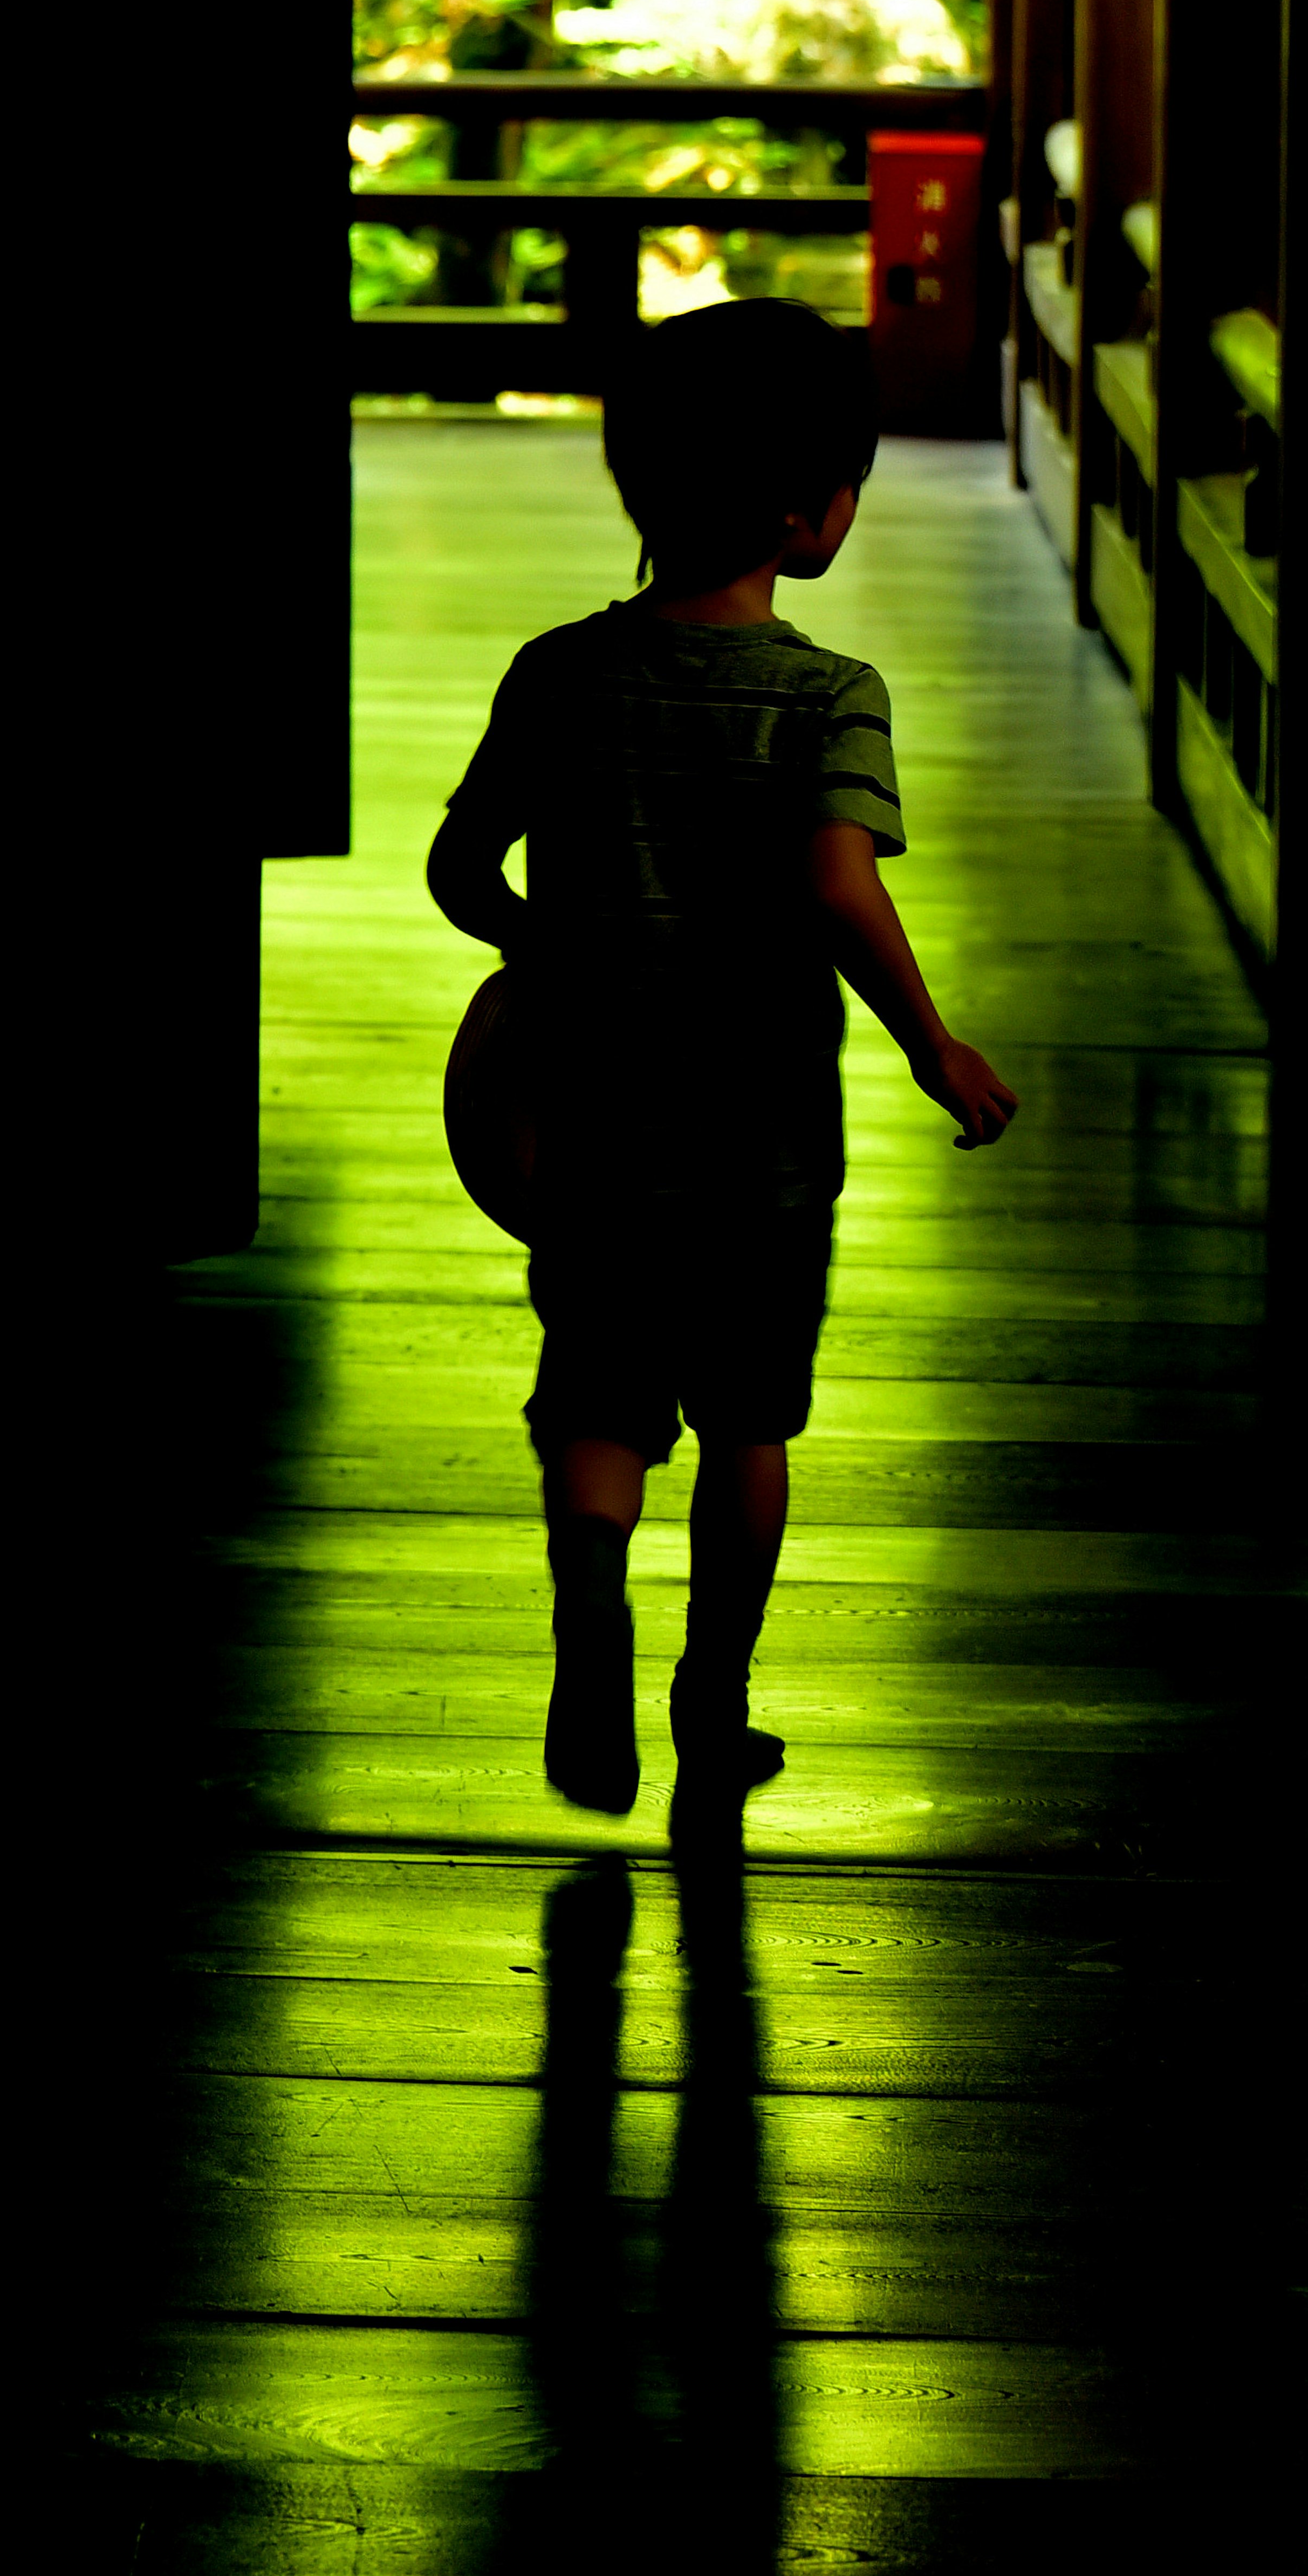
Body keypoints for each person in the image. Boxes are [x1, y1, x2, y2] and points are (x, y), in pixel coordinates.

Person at [427, 298, 1017, 1823]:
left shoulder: (558, 674)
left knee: (601, 1399)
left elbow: (463, 863)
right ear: (809, 517)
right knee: (751, 1420)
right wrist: (933, 1044)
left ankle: (588, 1616)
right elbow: (838, 886)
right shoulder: (830, 698)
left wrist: (534, 945)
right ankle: (713, 1700)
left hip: (594, 1119)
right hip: (761, 1137)